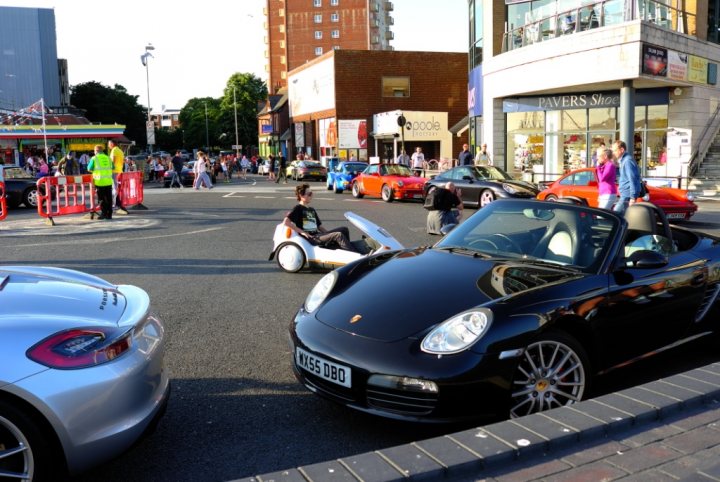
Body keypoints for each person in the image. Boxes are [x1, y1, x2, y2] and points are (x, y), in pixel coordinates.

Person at [283, 183, 357, 252]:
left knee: (344, 229)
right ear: (301, 196)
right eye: (309, 194)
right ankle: (354, 255)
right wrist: (302, 232)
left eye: (311, 193)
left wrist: (329, 235)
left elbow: (319, 227)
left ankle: (345, 250)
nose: (311, 196)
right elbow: (286, 222)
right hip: (312, 238)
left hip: (318, 235)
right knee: (338, 235)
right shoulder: (298, 208)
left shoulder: (311, 209)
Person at [612, 140, 641, 215]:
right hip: (625, 194)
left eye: (615, 150)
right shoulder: (623, 161)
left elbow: (633, 179)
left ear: (622, 150)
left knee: (616, 214)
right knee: (624, 218)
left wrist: (632, 197)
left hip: (627, 195)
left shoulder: (627, 161)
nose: (613, 153)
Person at [87, 144, 114, 220]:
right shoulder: (108, 158)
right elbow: (113, 167)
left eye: (94, 151)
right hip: (108, 182)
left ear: (96, 151)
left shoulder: (94, 158)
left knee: (101, 199)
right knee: (109, 199)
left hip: (99, 182)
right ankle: (110, 214)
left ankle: (104, 214)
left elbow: (89, 168)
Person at [108, 140, 128, 214]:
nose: (108, 146)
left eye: (109, 144)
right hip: (119, 171)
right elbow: (123, 161)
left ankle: (113, 204)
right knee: (116, 188)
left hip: (114, 171)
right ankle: (117, 203)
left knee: (114, 188)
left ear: (112, 144)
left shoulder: (114, 150)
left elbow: (113, 161)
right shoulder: (120, 151)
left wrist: (109, 169)